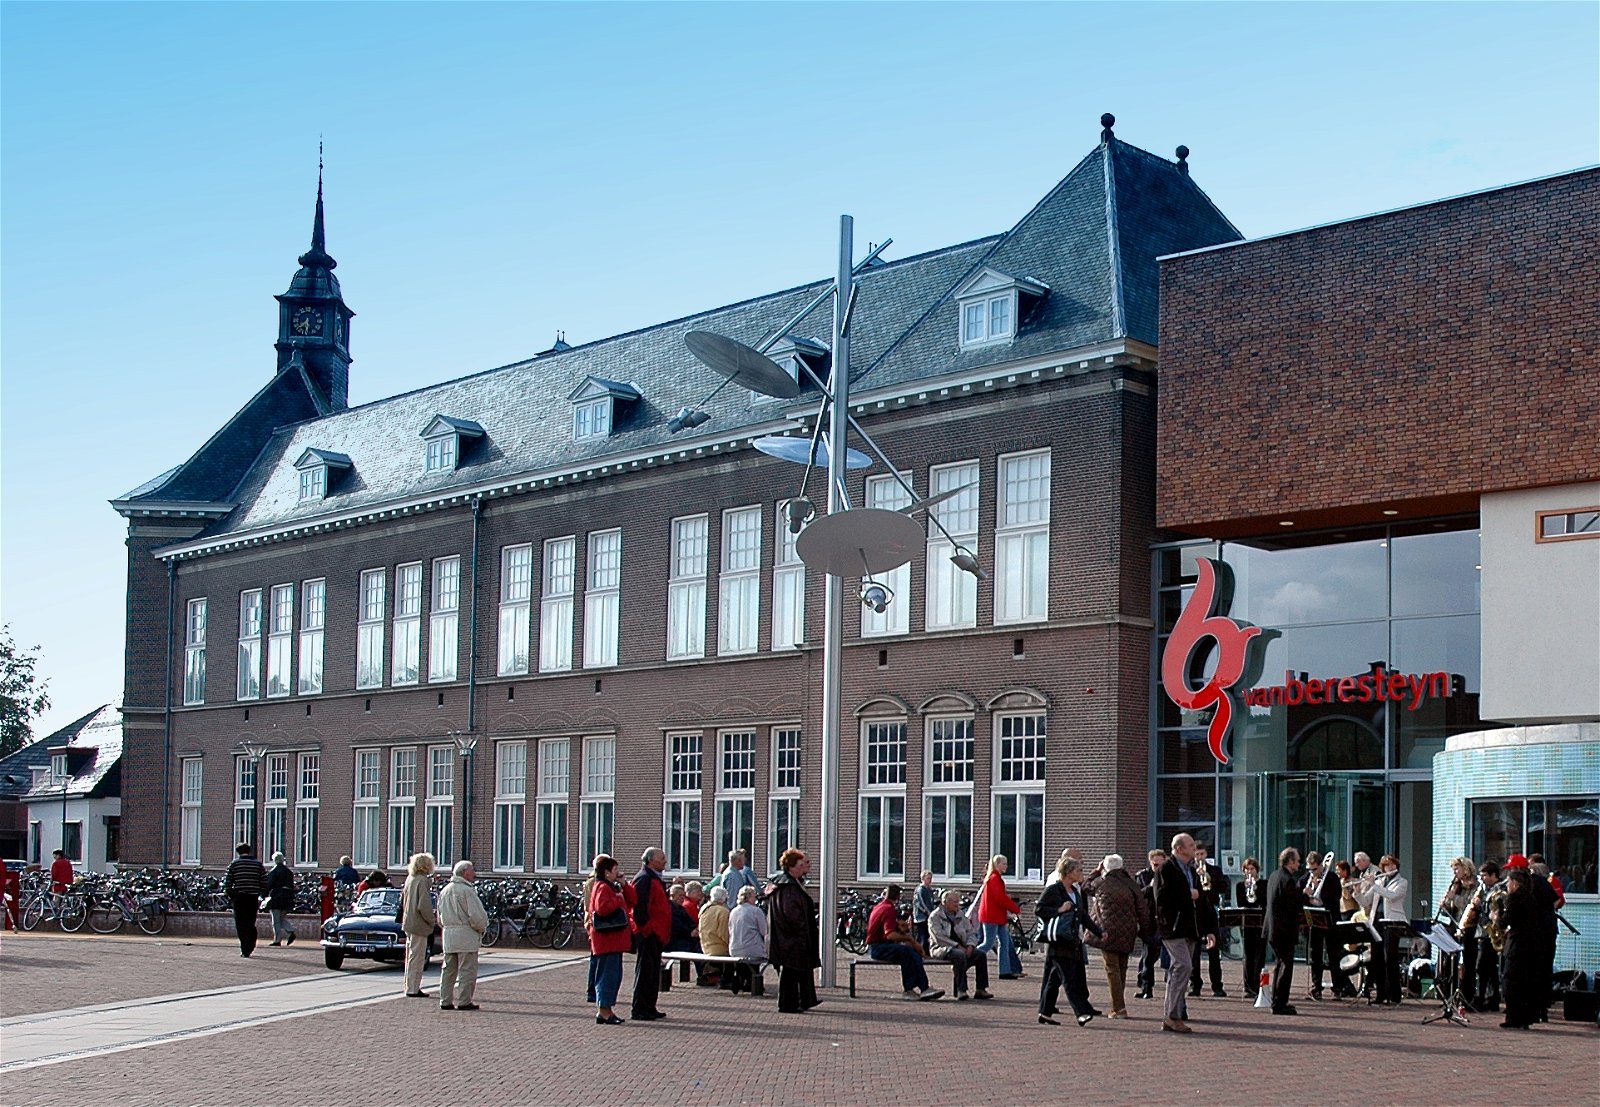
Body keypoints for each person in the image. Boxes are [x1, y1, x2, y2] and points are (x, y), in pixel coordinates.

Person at [1035, 856, 1101, 1026]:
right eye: (1079, 870)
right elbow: (1039, 909)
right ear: (1069, 872)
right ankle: (1082, 1012)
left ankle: (1045, 1012)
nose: (1081, 874)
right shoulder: (1054, 890)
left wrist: (1099, 932)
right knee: (1070, 979)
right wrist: (1059, 909)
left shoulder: (1075, 891)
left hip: (1072, 941)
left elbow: (1083, 916)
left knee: (1054, 979)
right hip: (1058, 942)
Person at [1084, 853, 1150, 1018]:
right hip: (1127, 930)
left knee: (1111, 969)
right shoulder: (1131, 884)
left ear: (1105, 867)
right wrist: (1145, 929)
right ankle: (1119, 1004)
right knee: (1121, 967)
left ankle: (1118, 1008)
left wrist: (1096, 871)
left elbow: (1085, 886)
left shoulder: (1101, 882)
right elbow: (1142, 908)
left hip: (1106, 931)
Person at [1154, 833, 1206, 1033]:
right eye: (1191, 845)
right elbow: (1161, 898)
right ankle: (1172, 1015)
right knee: (1182, 965)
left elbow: (1201, 898)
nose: (1194, 848)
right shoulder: (1166, 869)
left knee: (1182, 968)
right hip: (1173, 927)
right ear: (1179, 849)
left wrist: (1207, 928)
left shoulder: (1192, 870)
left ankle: (1172, 1014)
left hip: (1190, 927)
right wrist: (1188, 895)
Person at [768, 848, 825, 1011]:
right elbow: (791, 913)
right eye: (801, 865)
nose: (804, 868)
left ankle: (804, 1000)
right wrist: (802, 930)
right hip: (790, 939)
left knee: (796, 971)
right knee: (791, 972)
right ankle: (789, 1004)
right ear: (792, 866)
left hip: (788, 938)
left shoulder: (785, 884)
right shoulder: (788, 887)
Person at [867, 884, 944, 1002]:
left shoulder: (880, 906)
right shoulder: (888, 909)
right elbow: (890, 934)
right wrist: (910, 940)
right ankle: (911, 989)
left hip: (877, 946)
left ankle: (923, 988)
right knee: (907, 951)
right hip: (878, 947)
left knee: (911, 953)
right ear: (898, 896)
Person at [587, 854, 635, 1025]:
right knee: (607, 976)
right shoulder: (602, 887)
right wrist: (618, 899)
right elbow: (602, 909)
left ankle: (607, 1009)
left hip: (614, 941)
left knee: (614, 975)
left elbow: (633, 900)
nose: (618, 873)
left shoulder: (612, 887)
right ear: (607, 872)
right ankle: (604, 1010)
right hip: (607, 941)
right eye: (615, 870)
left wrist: (624, 885)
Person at [436, 860, 488, 1011]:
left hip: (449, 934)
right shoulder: (467, 891)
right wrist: (482, 928)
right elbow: (476, 915)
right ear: (465, 872)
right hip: (466, 935)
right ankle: (464, 1000)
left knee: (448, 970)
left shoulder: (444, 890)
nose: (474, 873)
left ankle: (445, 1000)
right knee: (467, 970)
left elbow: (439, 916)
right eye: (472, 870)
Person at [1299, 850, 1350, 999]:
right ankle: (1316, 987)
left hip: (1330, 919)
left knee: (1334, 954)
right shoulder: (1304, 880)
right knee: (1315, 954)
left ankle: (1337, 988)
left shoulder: (1332, 878)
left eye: (1314, 869)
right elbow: (1297, 896)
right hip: (1313, 920)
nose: (1312, 872)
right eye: (1309, 869)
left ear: (1321, 866)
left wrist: (1319, 892)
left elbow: (1336, 897)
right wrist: (1306, 892)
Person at [1359, 853, 1409, 1005]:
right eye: (1386, 865)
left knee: (1390, 958)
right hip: (1377, 922)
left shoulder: (1402, 882)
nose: (1389, 867)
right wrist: (1356, 891)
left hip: (1392, 922)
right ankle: (1381, 994)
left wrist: (1374, 885)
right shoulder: (1379, 881)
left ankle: (1395, 995)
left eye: (1392, 864)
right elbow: (1365, 901)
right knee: (1377, 959)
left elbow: (1391, 896)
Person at [927, 888, 993, 1000]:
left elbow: (971, 932)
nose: (958, 904)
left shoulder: (960, 914)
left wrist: (971, 945)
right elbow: (938, 937)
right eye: (955, 902)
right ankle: (961, 990)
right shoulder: (935, 917)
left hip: (963, 946)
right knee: (959, 955)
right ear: (945, 902)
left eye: (958, 901)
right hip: (941, 948)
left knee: (980, 955)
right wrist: (957, 946)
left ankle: (981, 989)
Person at [630, 847, 671, 1021]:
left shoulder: (653, 878)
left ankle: (649, 1006)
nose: (665, 861)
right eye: (662, 858)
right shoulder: (645, 879)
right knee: (646, 972)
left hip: (656, 933)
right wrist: (647, 930)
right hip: (649, 934)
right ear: (651, 860)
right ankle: (640, 1008)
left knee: (653, 972)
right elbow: (639, 907)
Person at [1263, 847, 1305, 1016]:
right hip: (1283, 929)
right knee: (1285, 966)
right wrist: (1305, 895)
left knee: (1280, 964)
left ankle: (1277, 1000)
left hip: (1273, 928)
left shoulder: (1274, 875)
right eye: (1297, 860)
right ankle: (1280, 1003)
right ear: (1290, 861)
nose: (1299, 864)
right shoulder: (1287, 879)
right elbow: (1292, 905)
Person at [1497, 866, 1540, 1029]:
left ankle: (1513, 1017)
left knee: (1510, 982)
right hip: (1531, 946)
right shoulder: (1531, 898)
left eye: (1508, 882)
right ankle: (1524, 1018)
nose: (1507, 885)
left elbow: (1507, 920)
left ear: (1515, 883)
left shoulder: (1514, 898)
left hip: (1517, 945)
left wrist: (1497, 918)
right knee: (1525, 983)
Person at [1458, 860, 1503, 1012]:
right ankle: (1492, 999)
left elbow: (1496, 910)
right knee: (1489, 969)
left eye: (1484, 875)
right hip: (1483, 932)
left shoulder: (1499, 890)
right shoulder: (1485, 889)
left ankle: (1482, 998)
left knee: (1482, 967)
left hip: (1491, 933)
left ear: (1493, 875)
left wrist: (1480, 903)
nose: (1481, 878)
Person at [973, 854, 1024, 979]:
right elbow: (1000, 898)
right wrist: (1014, 908)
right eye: (1004, 864)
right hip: (992, 916)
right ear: (997, 865)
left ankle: (1005, 971)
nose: (1006, 866)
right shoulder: (995, 878)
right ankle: (967, 959)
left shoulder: (994, 878)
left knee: (1004, 943)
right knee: (988, 943)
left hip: (997, 916)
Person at [1189, 843, 1228, 997]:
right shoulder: (1190, 871)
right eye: (1197, 854)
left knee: (1213, 950)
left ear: (1206, 854)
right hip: (1195, 913)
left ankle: (1217, 986)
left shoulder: (1215, 870)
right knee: (1195, 952)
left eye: (1202, 854)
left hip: (1210, 912)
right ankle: (1195, 985)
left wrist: (1210, 879)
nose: (1199, 857)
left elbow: (1224, 887)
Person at [1438, 855, 1476, 1006]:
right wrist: (1445, 905)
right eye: (1453, 869)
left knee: (1468, 962)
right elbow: (1449, 910)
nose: (1454, 872)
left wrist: (1455, 899)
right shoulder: (1456, 885)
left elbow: (1470, 904)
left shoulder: (1474, 885)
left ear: (1465, 868)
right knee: (1449, 961)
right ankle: (1448, 994)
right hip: (1454, 925)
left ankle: (1467, 996)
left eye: (1457, 868)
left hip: (1469, 926)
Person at [400, 851, 438, 998]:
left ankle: (409, 985)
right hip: (419, 923)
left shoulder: (411, 878)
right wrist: (432, 920)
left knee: (410, 955)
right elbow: (424, 905)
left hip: (409, 921)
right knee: (417, 957)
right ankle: (413, 988)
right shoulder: (422, 881)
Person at [1133, 848, 1168, 1000]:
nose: (1157, 869)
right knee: (1147, 955)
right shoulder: (1142, 876)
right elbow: (1139, 894)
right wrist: (1152, 885)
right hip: (1148, 921)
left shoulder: (1169, 876)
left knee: (1159, 955)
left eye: (1160, 865)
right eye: (1155, 865)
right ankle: (1146, 987)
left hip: (1164, 920)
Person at [223, 842, 266, 957]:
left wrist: (233, 895)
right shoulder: (258, 865)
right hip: (252, 897)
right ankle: (251, 943)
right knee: (250, 922)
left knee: (240, 923)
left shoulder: (234, 864)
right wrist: (260, 893)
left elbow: (227, 883)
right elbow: (264, 882)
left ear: (238, 852)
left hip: (240, 897)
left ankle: (245, 948)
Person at [727, 885, 768, 996]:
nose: (755, 899)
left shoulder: (733, 911)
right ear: (749, 897)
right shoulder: (756, 911)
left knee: (742, 960)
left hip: (734, 948)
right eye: (754, 896)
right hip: (751, 948)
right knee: (755, 954)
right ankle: (751, 982)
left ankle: (739, 978)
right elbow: (764, 931)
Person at [698, 885, 732, 987]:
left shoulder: (704, 909)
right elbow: (724, 933)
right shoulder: (723, 911)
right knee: (733, 954)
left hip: (705, 945)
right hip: (718, 947)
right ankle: (726, 980)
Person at [264, 851, 297, 947]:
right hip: (287, 897)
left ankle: (277, 939)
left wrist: (263, 895)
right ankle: (290, 932)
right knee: (281, 918)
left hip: (277, 896)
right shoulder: (289, 872)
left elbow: (269, 885)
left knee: (276, 920)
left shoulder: (273, 871)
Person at [911, 870, 940, 953]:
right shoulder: (920, 889)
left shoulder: (929, 889)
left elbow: (931, 901)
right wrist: (928, 912)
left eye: (931, 878)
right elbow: (921, 903)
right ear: (923, 879)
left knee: (927, 934)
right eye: (928, 878)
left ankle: (925, 951)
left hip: (927, 915)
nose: (930, 880)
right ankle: (919, 951)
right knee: (921, 934)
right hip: (921, 916)